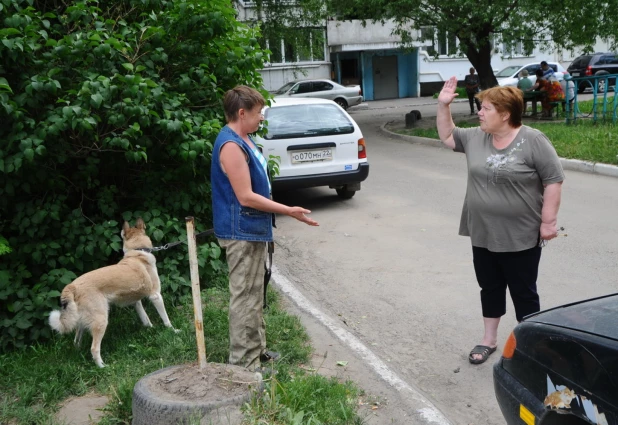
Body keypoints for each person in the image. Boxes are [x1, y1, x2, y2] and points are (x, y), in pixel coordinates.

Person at [436, 77, 564, 365]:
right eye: (481, 108)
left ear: (505, 114)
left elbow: (553, 180)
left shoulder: (533, 140)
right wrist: (443, 105)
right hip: (482, 231)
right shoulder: (476, 137)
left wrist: (548, 222)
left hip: (520, 233)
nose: (480, 112)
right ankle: (488, 340)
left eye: (486, 108)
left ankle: (533, 344)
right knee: (490, 286)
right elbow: (447, 137)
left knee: (524, 291)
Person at [211, 85, 319, 371]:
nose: (261, 118)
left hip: (251, 229)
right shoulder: (231, 145)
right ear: (242, 112)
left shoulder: (243, 138)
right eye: (258, 113)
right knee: (245, 298)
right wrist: (289, 211)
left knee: (254, 293)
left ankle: (256, 351)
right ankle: (244, 365)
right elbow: (245, 196)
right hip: (241, 232)